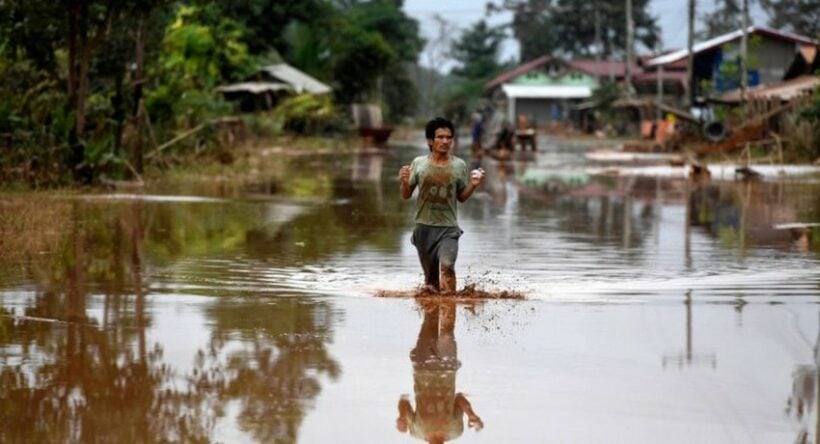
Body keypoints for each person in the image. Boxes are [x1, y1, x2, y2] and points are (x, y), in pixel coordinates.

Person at [399, 117, 485, 294]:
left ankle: (448, 314)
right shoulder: (419, 163)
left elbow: (461, 197)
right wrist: (404, 181)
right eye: (440, 137)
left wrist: (474, 185)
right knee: (430, 285)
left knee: (447, 266)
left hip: (448, 229)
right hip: (424, 228)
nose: (445, 141)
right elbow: (406, 195)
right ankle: (431, 317)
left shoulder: (459, 165)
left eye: (449, 137)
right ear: (430, 141)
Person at [396, 300, 483, 443]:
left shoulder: (418, 432)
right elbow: (459, 400)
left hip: (432, 369)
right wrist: (471, 415)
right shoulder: (453, 431)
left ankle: (435, 290)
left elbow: (404, 403)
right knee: (442, 326)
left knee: (434, 323)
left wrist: (401, 417)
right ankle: (443, 291)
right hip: (439, 368)